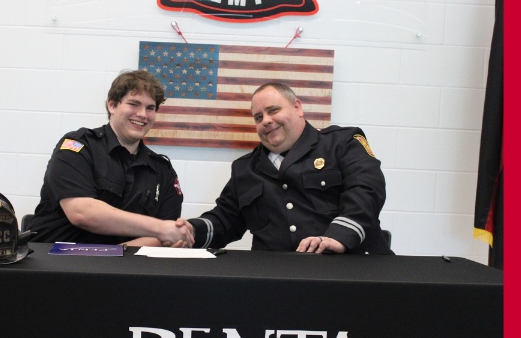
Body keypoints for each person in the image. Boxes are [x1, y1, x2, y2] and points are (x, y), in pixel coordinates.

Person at [186, 82, 392, 254]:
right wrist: (190, 231)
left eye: (273, 110)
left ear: (298, 107)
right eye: (258, 117)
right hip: (275, 281)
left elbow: (366, 190)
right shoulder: (245, 168)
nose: (266, 120)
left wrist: (339, 236)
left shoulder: (342, 143)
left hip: (349, 269)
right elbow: (226, 220)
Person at [30, 70, 193, 247]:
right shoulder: (77, 148)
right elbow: (82, 213)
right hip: (57, 265)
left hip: (125, 268)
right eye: (134, 104)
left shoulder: (163, 170)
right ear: (112, 105)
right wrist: (160, 228)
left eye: (150, 108)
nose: (142, 115)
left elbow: (168, 236)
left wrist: (114, 257)